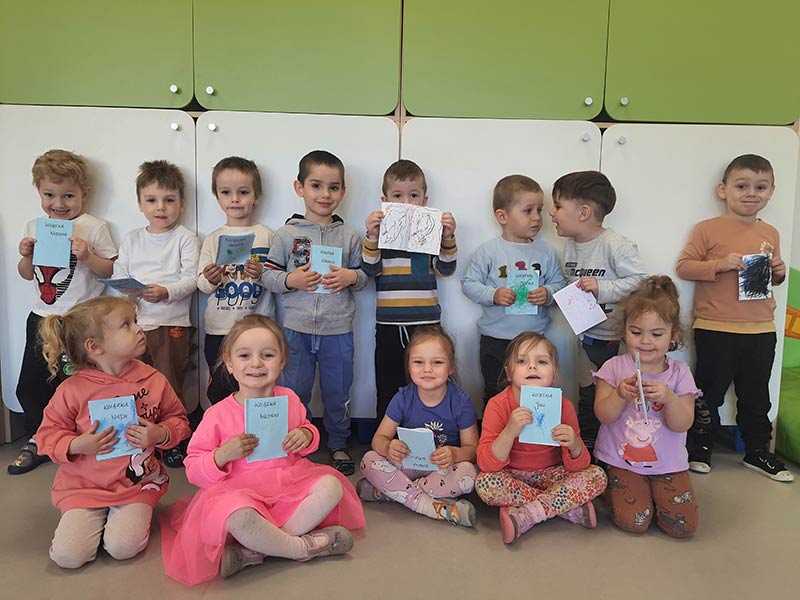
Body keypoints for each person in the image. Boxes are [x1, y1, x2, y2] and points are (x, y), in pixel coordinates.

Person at [159, 315, 365, 585]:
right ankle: (301, 547)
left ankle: (258, 549)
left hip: (289, 485)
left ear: (282, 362)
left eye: (267, 355)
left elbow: (306, 431)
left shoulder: (289, 399)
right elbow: (194, 468)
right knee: (237, 517)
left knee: (331, 486)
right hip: (239, 492)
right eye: (244, 355)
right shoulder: (217, 414)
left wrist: (306, 435)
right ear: (229, 364)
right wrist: (222, 455)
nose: (256, 363)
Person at [33, 296, 191, 568]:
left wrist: (160, 434)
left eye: (135, 321)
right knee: (68, 557)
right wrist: (76, 445)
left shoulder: (154, 380)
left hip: (137, 486)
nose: (139, 329)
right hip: (83, 489)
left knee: (123, 548)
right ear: (94, 347)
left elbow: (179, 420)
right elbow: (46, 435)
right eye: (126, 325)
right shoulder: (71, 390)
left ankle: (130, 514)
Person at [676, 154, 793, 482]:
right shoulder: (707, 229)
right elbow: (684, 266)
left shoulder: (770, 232)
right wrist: (720, 264)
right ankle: (701, 447)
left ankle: (757, 451)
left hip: (761, 329)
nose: (751, 193)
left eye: (760, 187)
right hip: (715, 327)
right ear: (723, 190)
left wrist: (779, 272)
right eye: (742, 186)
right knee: (708, 393)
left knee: (756, 395)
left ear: (771, 192)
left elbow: (772, 279)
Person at [9, 149, 118, 475]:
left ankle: (81, 437)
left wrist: (88, 257)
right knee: (34, 381)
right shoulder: (35, 225)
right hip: (42, 317)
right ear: (39, 192)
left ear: (85, 193)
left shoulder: (94, 227)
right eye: (49, 195)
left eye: (68, 195)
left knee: (77, 381)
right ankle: (38, 437)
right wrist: (26, 256)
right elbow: (26, 274)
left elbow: (111, 271)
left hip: (79, 320)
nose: (58, 203)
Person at [263, 150, 366, 475]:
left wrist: (352, 277)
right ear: (300, 188)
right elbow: (267, 275)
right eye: (316, 186)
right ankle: (297, 446)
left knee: (338, 392)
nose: (325, 194)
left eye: (333, 187)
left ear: (343, 192)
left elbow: (365, 276)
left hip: (338, 330)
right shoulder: (285, 235)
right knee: (295, 392)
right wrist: (290, 280)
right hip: (296, 329)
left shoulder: (350, 237)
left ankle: (338, 442)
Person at [475, 332, 607, 544]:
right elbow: (486, 464)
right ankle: (567, 508)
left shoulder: (563, 406)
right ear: (508, 372)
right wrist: (509, 431)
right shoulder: (497, 405)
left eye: (542, 362)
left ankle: (526, 514)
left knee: (597, 476)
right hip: (511, 475)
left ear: (554, 373)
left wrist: (574, 445)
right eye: (521, 361)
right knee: (485, 483)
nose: (532, 367)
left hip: (552, 474)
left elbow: (580, 465)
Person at [594, 276, 701, 537]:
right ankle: (614, 489)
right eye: (636, 332)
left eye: (657, 334)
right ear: (624, 331)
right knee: (634, 522)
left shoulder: (680, 372)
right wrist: (619, 394)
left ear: (674, 335)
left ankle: (647, 493)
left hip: (668, 464)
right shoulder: (613, 368)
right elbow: (603, 415)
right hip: (622, 460)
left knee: (683, 526)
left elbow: (683, 424)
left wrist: (670, 399)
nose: (645, 341)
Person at [550, 170, 647, 451]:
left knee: (621, 393)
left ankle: (623, 445)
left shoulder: (615, 244)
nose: (551, 214)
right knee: (587, 393)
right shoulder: (570, 248)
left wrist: (601, 287)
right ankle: (589, 445)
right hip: (587, 338)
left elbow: (640, 280)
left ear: (583, 212)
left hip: (618, 340)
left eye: (557, 206)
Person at [112, 160, 199, 466]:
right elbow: (119, 273)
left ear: (181, 204)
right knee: (133, 384)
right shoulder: (133, 238)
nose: (160, 207)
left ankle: (174, 438)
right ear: (140, 204)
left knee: (169, 382)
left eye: (169, 200)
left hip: (170, 324)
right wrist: (128, 289)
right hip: (134, 325)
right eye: (151, 200)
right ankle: (136, 437)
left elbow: (192, 279)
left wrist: (166, 292)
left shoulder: (185, 238)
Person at [362, 159, 457, 422]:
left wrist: (448, 237)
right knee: (388, 382)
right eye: (398, 196)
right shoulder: (381, 236)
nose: (406, 203)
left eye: (413, 196)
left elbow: (446, 268)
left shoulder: (430, 233)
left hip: (427, 324)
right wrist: (371, 236)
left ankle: (431, 431)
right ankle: (385, 436)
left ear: (424, 201)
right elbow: (369, 270)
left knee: (430, 384)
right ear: (385, 201)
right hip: (389, 325)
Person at [357, 325, 479, 526]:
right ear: (409, 366)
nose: (427, 369)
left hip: (442, 470)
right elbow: (378, 440)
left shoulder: (461, 402)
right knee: (368, 460)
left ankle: (389, 492)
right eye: (418, 362)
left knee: (469, 473)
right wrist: (388, 447)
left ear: (451, 367)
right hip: (407, 465)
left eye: (437, 362)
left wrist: (454, 453)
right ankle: (429, 505)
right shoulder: (403, 397)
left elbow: (472, 450)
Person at [461, 174, 566, 404]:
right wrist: (493, 295)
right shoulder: (489, 251)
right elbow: (468, 283)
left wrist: (547, 293)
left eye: (539, 210)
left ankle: (531, 429)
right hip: (495, 339)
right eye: (528, 211)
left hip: (534, 341)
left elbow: (560, 284)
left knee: (534, 394)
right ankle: (495, 428)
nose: (537, 217)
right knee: (495, 393)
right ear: (503, 216)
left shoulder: (546, 252)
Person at [197, 156, 272, 404]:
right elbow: (202, 285)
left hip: (258, 328)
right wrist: (210, 279)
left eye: (243, 192)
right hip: (219, 329)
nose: (235, 199)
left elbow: (278, 281)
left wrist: (261, 275)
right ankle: (221, 424)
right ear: (217, 197)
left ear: (256, 196)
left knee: (258, 384)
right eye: (226, 192)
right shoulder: (213, 238)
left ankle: (256, 424)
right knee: (220, 387)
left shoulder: (266, 236)